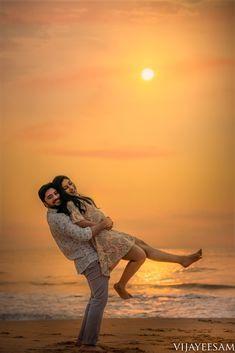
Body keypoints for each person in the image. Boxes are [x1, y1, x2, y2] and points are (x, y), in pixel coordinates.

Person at [52, 175, 203, 300]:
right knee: (140, 255)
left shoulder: (80, 198)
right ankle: (121, 285)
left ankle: (182, 260)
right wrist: (103, 223)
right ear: (62, 192)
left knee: (143, 245)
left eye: (70, 183)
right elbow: (79, 221)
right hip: (103, 236)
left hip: (108, 232)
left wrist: (105, 223)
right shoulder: (70, 203)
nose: (71, 187)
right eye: (66, 187)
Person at [38, 182, 112, 353]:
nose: (56, 198)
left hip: (85, 258)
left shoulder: (56, 213)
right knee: (100, 299)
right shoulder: (58, 217)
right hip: (89, 258)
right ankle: (89, 344)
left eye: (56, 193)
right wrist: (103, 224)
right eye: (50, 197)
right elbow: (82, 234)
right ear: (45, 202)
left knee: (95, 298)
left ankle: (82, 340)